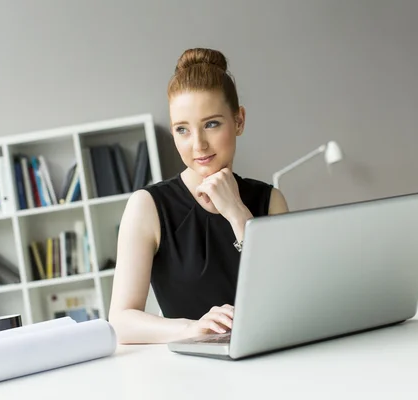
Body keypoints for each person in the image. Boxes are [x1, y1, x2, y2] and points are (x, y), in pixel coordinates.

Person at [108, 47, 289, 344]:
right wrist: (190, 329)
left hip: (272, 359)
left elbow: (289, 296)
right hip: (192, 374)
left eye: (211, 124)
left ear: (239, 121)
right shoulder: (149, 207)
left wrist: (237, 213)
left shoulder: (270, 200)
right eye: (183, 130)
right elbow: (121, 320)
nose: (198, 145)